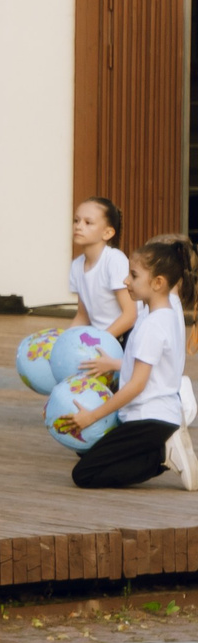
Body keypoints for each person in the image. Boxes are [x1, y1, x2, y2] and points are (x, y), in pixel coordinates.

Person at [56, 235, 198, 490]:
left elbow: (136, 386)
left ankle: (161, 456)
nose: (125, 281)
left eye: (133, 276)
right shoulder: (164, 312)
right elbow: (152, 367)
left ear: (158, 283)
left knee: (84, 474)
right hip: (158, 414)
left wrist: (92, 417)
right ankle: (157, 448)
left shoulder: (152, 325)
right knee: (86, 452)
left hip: (148, 419)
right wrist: (116, 364)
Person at [69, 198, 136, 341]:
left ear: (107, 233)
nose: (78, 226)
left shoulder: (114, 260)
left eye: (88, 222)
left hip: (126, 337)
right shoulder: (76, 265)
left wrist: (99, 341)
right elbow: (83, 316)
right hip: (103, 336)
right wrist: (64, 341)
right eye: (76, 220)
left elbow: (130, 315)